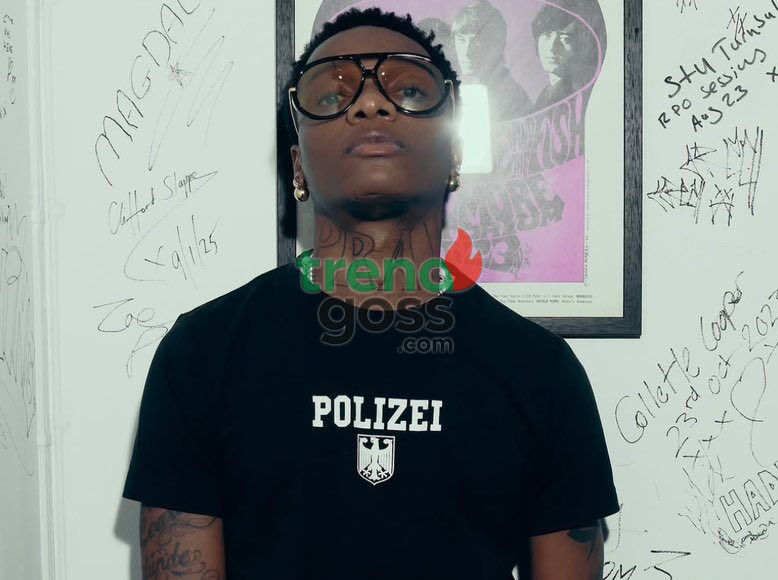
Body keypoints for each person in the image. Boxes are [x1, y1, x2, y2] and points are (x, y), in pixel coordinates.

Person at [122, 7, 619, 579]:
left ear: (456, 152)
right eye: (334, 97)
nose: (371, 104)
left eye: (408, 90)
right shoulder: (202, 353)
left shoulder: (541, 371)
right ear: (297, 165)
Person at [452, 0, 533, 121]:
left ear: (495, 45)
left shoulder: (513, 99)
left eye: (476, 41)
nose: (467, 52)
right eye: (461, 40)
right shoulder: (455, 90)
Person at [531, 4, 597, 111]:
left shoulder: (584, 94)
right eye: (547, 35)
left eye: (565, 38)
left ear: (580, 46)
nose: (552, 47)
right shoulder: (543, 97)